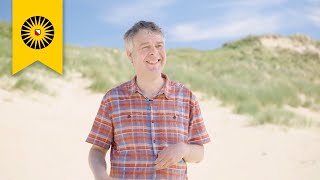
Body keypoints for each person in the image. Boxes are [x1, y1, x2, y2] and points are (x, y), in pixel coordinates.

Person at [86, 20, 211, 180]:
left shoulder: (186, 97)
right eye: (145, 47)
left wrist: (184, 150)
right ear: (130, 55)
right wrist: (100, 175)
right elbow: (97, 150)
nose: (154, 52)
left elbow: (199, 153)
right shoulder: (113, 99)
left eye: (159, 46)